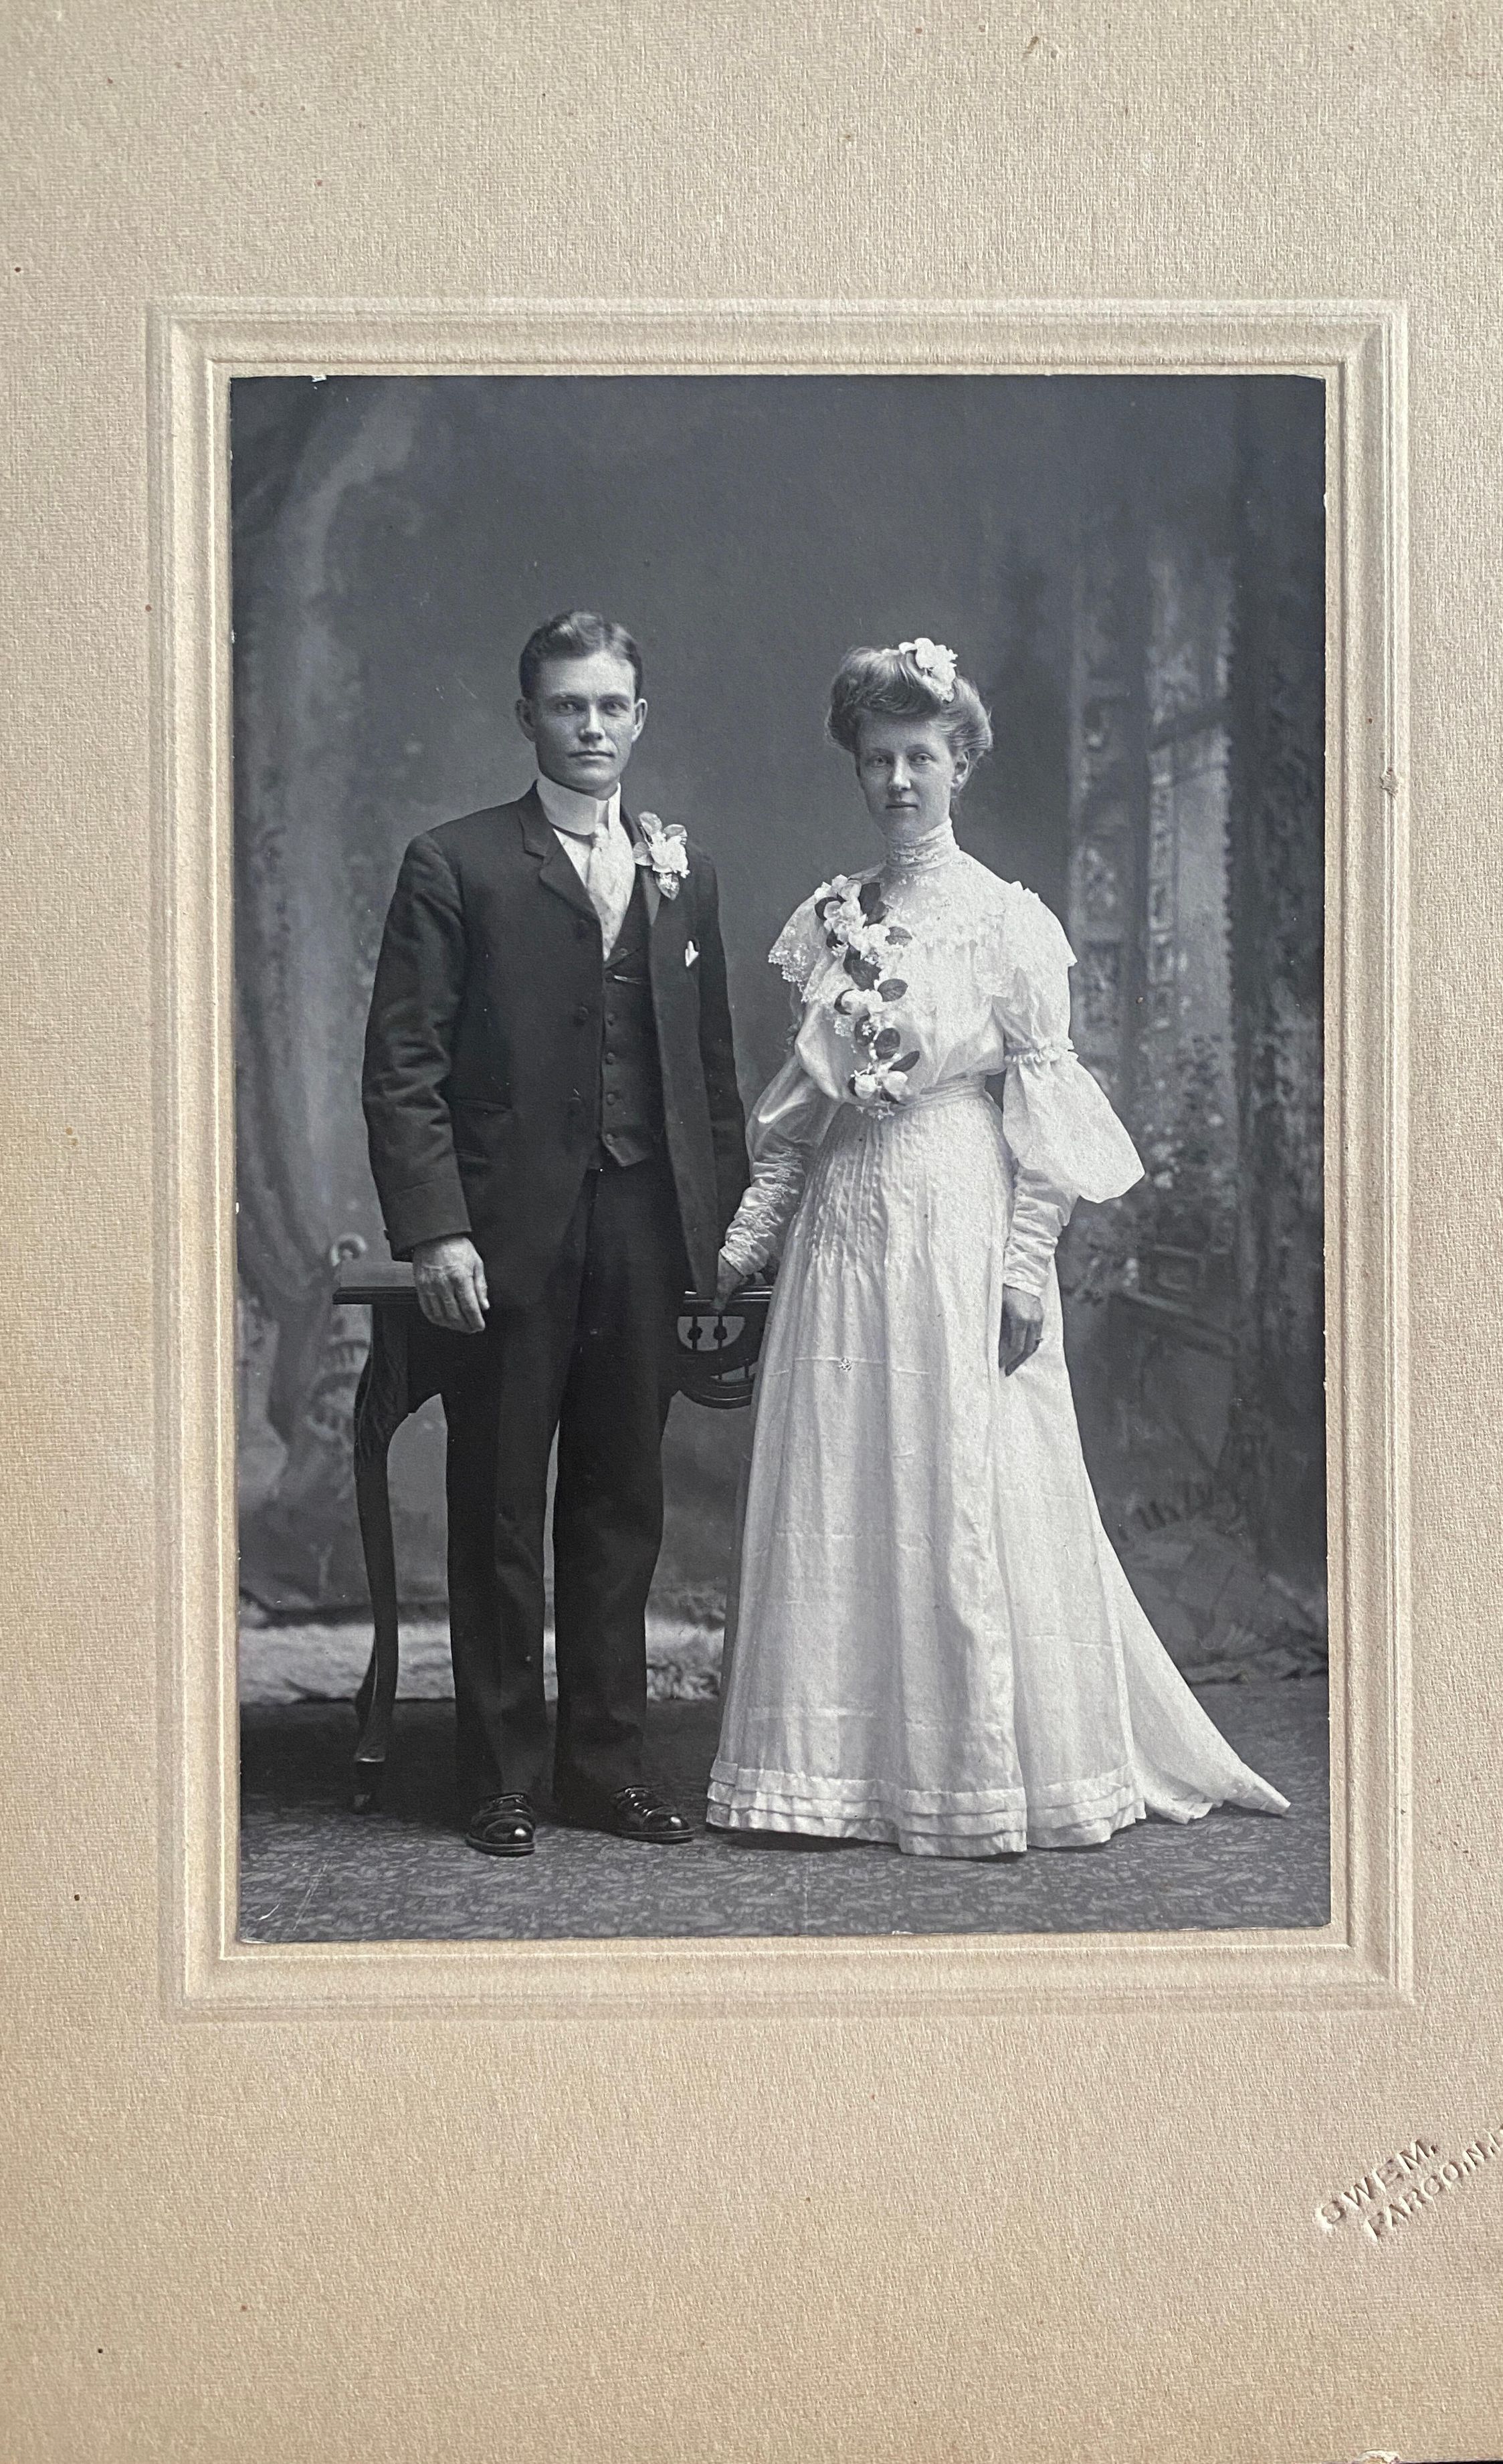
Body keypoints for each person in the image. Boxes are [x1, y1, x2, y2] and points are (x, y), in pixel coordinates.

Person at [707, 638, 1288, 1859]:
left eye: (920, 757)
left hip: (958, 1211)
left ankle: (969, 1771)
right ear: (858, 770)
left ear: (960, 762)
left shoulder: (1009, 923)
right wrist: (758, 1224)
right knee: (842, 1466)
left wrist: (1025, 1265)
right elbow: (801, 1107)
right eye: (879, 760)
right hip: (848, 1221)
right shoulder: (829, 920)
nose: (898, 782)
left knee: (965, 1470)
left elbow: (1044, 1114)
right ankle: (831, 1773)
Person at [362, 611, 747, 1855]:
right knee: (497, 1507)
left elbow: (709, 1075)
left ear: (641, 718)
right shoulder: (457, 862)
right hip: (505, 1235)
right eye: (568, 705)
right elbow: (404, 1067)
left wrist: (725, 1239)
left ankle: (602, 1769)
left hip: (646, 1227)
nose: (591, 727)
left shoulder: (682, 870)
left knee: (620, 1506)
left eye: (611, 706)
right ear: (526, 716)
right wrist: (437, 1234)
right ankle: (500, 1776)